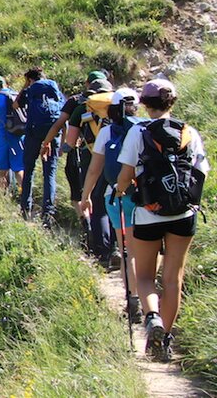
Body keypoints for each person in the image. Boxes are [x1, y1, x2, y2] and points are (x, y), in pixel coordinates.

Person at [115, 79, 209, 362]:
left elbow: (125, 174)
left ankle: (152, 317)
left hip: (148, 213)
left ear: (144, 104)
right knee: (173, 279)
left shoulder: (138, 131)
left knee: (144, 275)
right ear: (173, 102)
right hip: (184, 214)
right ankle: (164, 340)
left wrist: (120, 190)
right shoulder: (188, 132)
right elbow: (201, 171)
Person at [79, 87, 144, 321]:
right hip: (144, 197)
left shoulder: (107, 132)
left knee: (128, 251)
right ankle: (149, 296)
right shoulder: (145, 128)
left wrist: (85, 197)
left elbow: (94, 170)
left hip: (116, 196)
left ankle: (133, 300)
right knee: (147, 249)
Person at [64, 77, 117, 265]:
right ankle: (118, 247)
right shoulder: (120, 104)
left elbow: (70, 141)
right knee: (115, 198)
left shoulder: (83, 107)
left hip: (92, 156)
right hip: (119, 157)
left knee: (97, 201)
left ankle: (102, 252)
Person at [17, 67, 65, 226]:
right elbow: (64, 115)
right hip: (53, 133)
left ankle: (25, 209)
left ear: (30, 79)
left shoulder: (30, 90)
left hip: (33, 133)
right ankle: (48, 214)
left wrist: (25, 87)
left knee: (29, 169)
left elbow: (16, 105)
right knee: (49, 173)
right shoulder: (54, 90)